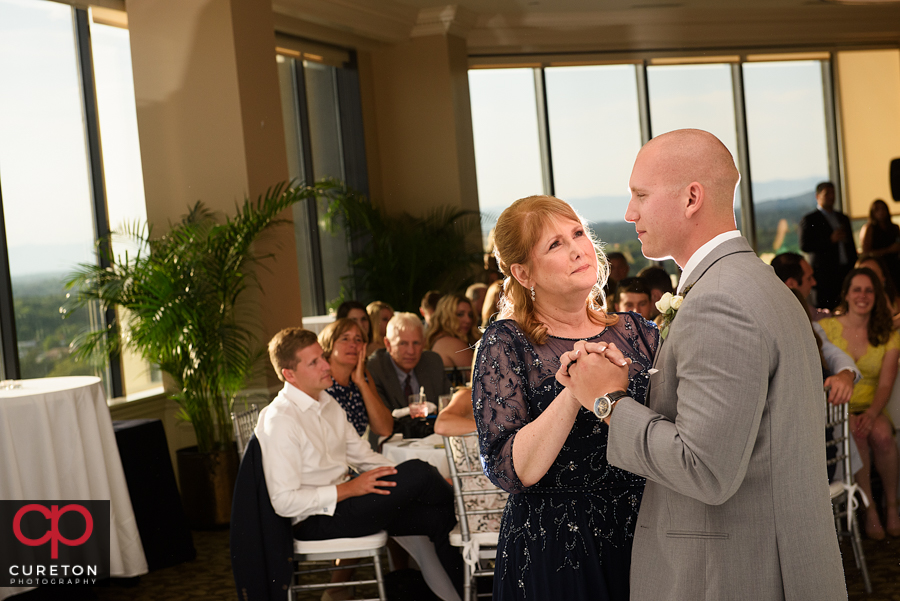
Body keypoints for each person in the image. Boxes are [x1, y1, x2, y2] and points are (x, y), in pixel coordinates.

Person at [561, 129, 846, 600]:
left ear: (692, 197)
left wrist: (608, 401)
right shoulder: (760, 284)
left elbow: (704, 469)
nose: (630, 213)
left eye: (641, 195)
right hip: (774, 558)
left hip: (730, 575)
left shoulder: (720, 302)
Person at [473, 195, 657, 600]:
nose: (577, 248)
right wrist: (574, 389)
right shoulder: (507, 344)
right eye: (555, 245)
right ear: (523, 273)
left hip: (648, 529)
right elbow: (512, 471)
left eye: (578, 233)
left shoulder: (637, 332)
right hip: (557, 545)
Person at [255, 328, 463, 598]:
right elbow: (283, 501)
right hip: (315, 520)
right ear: (289, 374)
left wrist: (403, 480)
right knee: (421, 472)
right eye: (314, 362)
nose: (325, 365)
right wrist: (351, 489)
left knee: (439, 517)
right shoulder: (279, 420)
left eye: (322, 357)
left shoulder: (326, 402)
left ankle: (466, 595)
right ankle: (464, 500)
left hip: (346, 505)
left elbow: (364, 457)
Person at [818, 267, 900, 540]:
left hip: (873, 404)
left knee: (882, 435)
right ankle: (870, 509)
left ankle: (891, 506)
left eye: (869, 290)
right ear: (847, 294)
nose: (863, 295)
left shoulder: (887, 333)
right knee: (857, 434)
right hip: (838, 408)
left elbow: (886, 384)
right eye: (857, 289)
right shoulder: (826, 327)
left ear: (877, 296)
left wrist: (873, 413)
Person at [771, 253, 860, 405]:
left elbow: (833, 354)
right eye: (808, 278)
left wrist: (846, 374)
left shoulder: (812, 326)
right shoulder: (763, 329)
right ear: (791, 284)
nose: (814, 283)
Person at [318, 318, 393, 440]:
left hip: (357, 454)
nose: (353, 344)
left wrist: (362, 384)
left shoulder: (364, 376)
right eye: (345, 338)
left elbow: (385, 429)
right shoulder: (320, 379)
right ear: (329, 343)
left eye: (358, 340)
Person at [367, 312, 451, 412]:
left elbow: (449, 405)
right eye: (403, 343)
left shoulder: (433, 362)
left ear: (424, 343)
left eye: (416, 343)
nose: (411, 351)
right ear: (388, 344)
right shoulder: (375, 368)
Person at [799, 181, 858, 310]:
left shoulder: (842, 218)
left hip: (845, 271)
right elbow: (805, 245)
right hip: (824, 276)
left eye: (833, 193)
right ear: (818, 196)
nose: (831, 196)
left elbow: (851, 245)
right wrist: (830, 240)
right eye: (827, 193)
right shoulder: (810, 219)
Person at [425, 294, 481, 373]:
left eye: (470, 315)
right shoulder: (451, 343)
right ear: (446, 316)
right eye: (460, 314)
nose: (468, 320)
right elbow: (480, 378)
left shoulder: (437, 339)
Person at [859, 198, 900, 285]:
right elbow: (866, 253)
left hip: (895, 266)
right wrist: (888, 250)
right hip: (878, 266)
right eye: (877, 209)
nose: (881, 212)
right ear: (872, 212)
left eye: (883, 209)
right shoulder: (869, 228)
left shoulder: (894, 227)